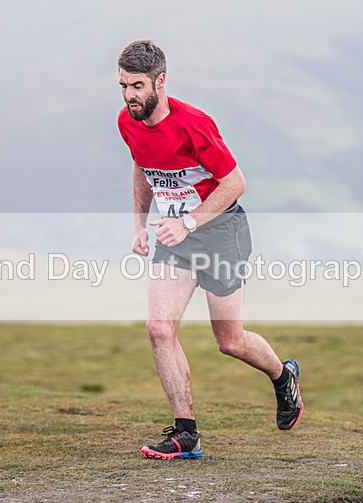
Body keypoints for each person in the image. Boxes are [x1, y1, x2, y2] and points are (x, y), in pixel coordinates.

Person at [116, 40, 303, 460]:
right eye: (124, 86)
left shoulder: (194, 124)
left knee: (230, 340)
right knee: (159, 328)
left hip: (220, 232)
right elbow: (142, 169)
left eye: (138, 86)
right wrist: (140, 226)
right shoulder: (128, 122)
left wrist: (188, 221)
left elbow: (235, 183)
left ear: (160, 82)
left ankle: (282, 374)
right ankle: (187, 434)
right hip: (174, 238)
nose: (130, 96)